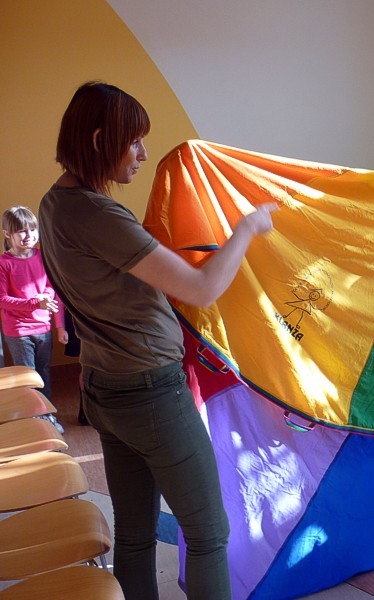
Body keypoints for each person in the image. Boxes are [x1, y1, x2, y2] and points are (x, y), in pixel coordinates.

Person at [38, 81, 281, 600]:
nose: (143, 154)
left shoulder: (53, 204)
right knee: (209, 534)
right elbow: (203, 288)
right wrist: (246, 228)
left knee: (134, 534)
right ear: (100, 140)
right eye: (134, 142)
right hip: (149, 393)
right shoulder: (99, 214)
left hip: (103, 389)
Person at [0, 205, 68, 434]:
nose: (28, 235)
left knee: (43, 372)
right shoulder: (4, 263)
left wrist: (59, 326)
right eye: (21, 231)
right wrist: (34, 303)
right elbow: (2, 299)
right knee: (29, 376)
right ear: (7, 234)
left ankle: (46, 415)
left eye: (32, 229)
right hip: (18, 331)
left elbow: (52, 289)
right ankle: (36, 420)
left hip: (43, 327)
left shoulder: (42, 256)